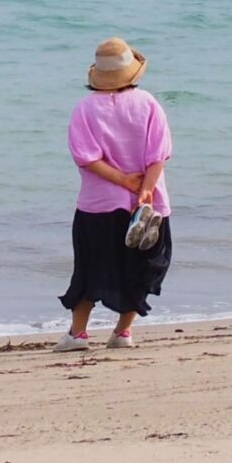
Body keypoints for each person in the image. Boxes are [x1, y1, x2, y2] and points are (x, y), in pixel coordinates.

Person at [56, 38, 173, 350]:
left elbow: (86, 158)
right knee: (142, 266)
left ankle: (78, 334)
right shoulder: (148, 103)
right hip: (147, 205)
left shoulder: (84, 109)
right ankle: (123, 332)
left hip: (99, 205)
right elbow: (158, 154)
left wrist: (122, 180)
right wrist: (144, 189)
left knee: (89, 268)